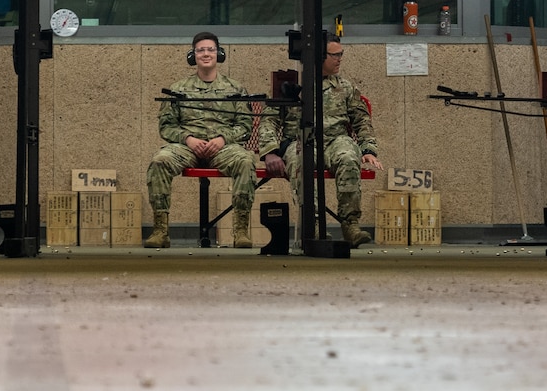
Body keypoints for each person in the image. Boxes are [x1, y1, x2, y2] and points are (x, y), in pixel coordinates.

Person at [258, 36, 383, 246]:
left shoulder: (345, 87)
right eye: (335, 55)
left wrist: (368, 149)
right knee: (300, 161)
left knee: (348, 156)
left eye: (341, 54)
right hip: (300, 140)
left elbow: (361, 120)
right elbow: (269, 121)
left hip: (335, 140)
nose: (340, 59)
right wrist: (270, 151)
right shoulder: (292, 86)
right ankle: (313, 227)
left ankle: (350, 225)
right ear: (319, 57)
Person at [146, 32, 259, 248]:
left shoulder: (235, 89)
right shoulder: (178, 89)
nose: (206, 54)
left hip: (223, 148)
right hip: (187, 147)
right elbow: (167, 126)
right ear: (192, 55)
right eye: (200, 50)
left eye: (210, 49)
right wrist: (187, 139)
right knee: (159, 161)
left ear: (219, 54)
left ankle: (241, 231)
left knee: (245, 161)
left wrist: (222, 139)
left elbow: (245, 127)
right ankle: (161, 231)